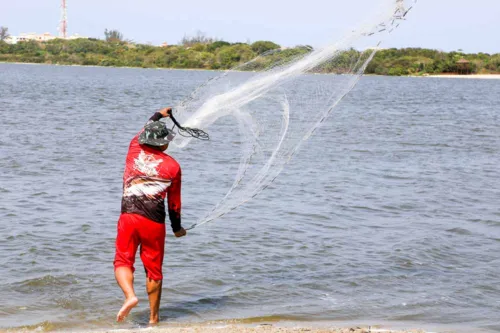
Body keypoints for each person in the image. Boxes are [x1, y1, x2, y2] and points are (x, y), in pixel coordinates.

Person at [113, 107, 187, 324]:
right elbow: (174, 203)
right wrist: (177, 228)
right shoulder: (173, 166)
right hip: (154, 222)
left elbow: (143, 130)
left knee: (122, 261)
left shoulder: (134, 149)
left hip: (128, 217)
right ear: (163, 144)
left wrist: (158, 115)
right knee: (153, 270)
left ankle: (130, 296)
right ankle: (154, 319)